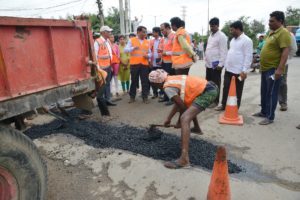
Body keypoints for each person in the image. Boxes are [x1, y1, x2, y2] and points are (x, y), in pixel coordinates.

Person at [149, 69, 218, 169]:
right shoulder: (171, 79)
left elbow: (182, 107)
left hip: (208, 92)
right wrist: (168, 119)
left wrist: (179, 122)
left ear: (156, 84)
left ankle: (184, 159)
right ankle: (197, 128)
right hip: (210, 87)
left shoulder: (167, 88)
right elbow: (180, 103)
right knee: (189, 110)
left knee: (185, 118)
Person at [253, 11, 291, 125]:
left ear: (280, 21)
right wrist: (259, 58)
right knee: (264, 91)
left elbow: (285, 51)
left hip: (273, 69)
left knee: (271, 93)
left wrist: (280, 69)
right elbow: (268, 49)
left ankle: (270, 117)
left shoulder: (283, 33)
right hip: (265, 68)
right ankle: (264, 112)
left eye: (272, 21)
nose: (269, 23)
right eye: (269, 21)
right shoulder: (271, 33)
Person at [215, 21, 253, 111]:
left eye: (232, 30)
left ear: (238, 29)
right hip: (229, 69)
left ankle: (235, 108)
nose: (230, 32)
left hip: (239, 71)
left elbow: (248, 56)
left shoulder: (247, 40)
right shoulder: (232, 40)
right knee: (226, 88)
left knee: (237, 90)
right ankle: (223, 105)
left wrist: (244, 70)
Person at [205, 17, 228, 109]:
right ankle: (209, 99)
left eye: (213, 26)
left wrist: (221, 64)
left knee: (215, 83)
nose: (211, 28)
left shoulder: (222, 36)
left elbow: (224, 51)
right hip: (209, 64)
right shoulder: (210, 36)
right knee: (208, 83)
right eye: (210, 26)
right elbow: (209, 49)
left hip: (216, 65)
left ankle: (215, 101)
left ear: (218, 25)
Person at [125, 26, 151, 104]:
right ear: (139, 32)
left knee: (145, 81)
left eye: (145, 32)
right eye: (143, 32)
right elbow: (126, 50)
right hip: (134, 64)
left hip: (144, 64)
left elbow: (150, 53)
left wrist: (148, 56)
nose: (145, 33)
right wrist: (133, 48)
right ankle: (132, 97)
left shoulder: (147, 41)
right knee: (134, 81)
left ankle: (145, 97)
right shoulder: (132, 40)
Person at [94, 25, 116, 106]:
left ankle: (108, 100)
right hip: (101, 68)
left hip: (108, 66)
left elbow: (109, 54)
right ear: (103, 32)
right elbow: (95, 55)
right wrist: (98, 68)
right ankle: (102, 102)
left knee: (107, 84)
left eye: (110, 31)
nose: (110, 33)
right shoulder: (98, 41)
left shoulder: (108, 41)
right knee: (102, 85)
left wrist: (111, 65)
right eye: (108, 31)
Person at [278, 31, 297, 111]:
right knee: (271, 81)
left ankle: (283, 102)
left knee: (282, 82)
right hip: (271, 63)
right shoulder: (273, 33)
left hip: (283, 63)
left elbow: (294, 49)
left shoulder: (289, 34)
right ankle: (269, 101)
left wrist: (287, 59)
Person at [159, 22, 176, 105]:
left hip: (171, 62)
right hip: (165, 62)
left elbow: (176, 51)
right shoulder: (164, 38)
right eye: (161, 30)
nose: (161, 31)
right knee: (165, 80)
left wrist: (166, 53)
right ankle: (166, 97)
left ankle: (172, 99)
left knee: (171, 81)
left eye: (163, 29)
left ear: (168, 28)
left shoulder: (174, 36)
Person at [150, 27, 163, 99]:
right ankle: (155, 93)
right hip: (153, 62)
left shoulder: (162, 40)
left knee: (161, 78)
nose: (152, 33)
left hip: (160, 62)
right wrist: (149, 61)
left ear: (157, 32)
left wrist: (162, 59)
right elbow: (149, 51)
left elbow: (164, 50)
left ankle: (161, 92)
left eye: (153, 32)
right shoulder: (151, 41)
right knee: (152, 78)